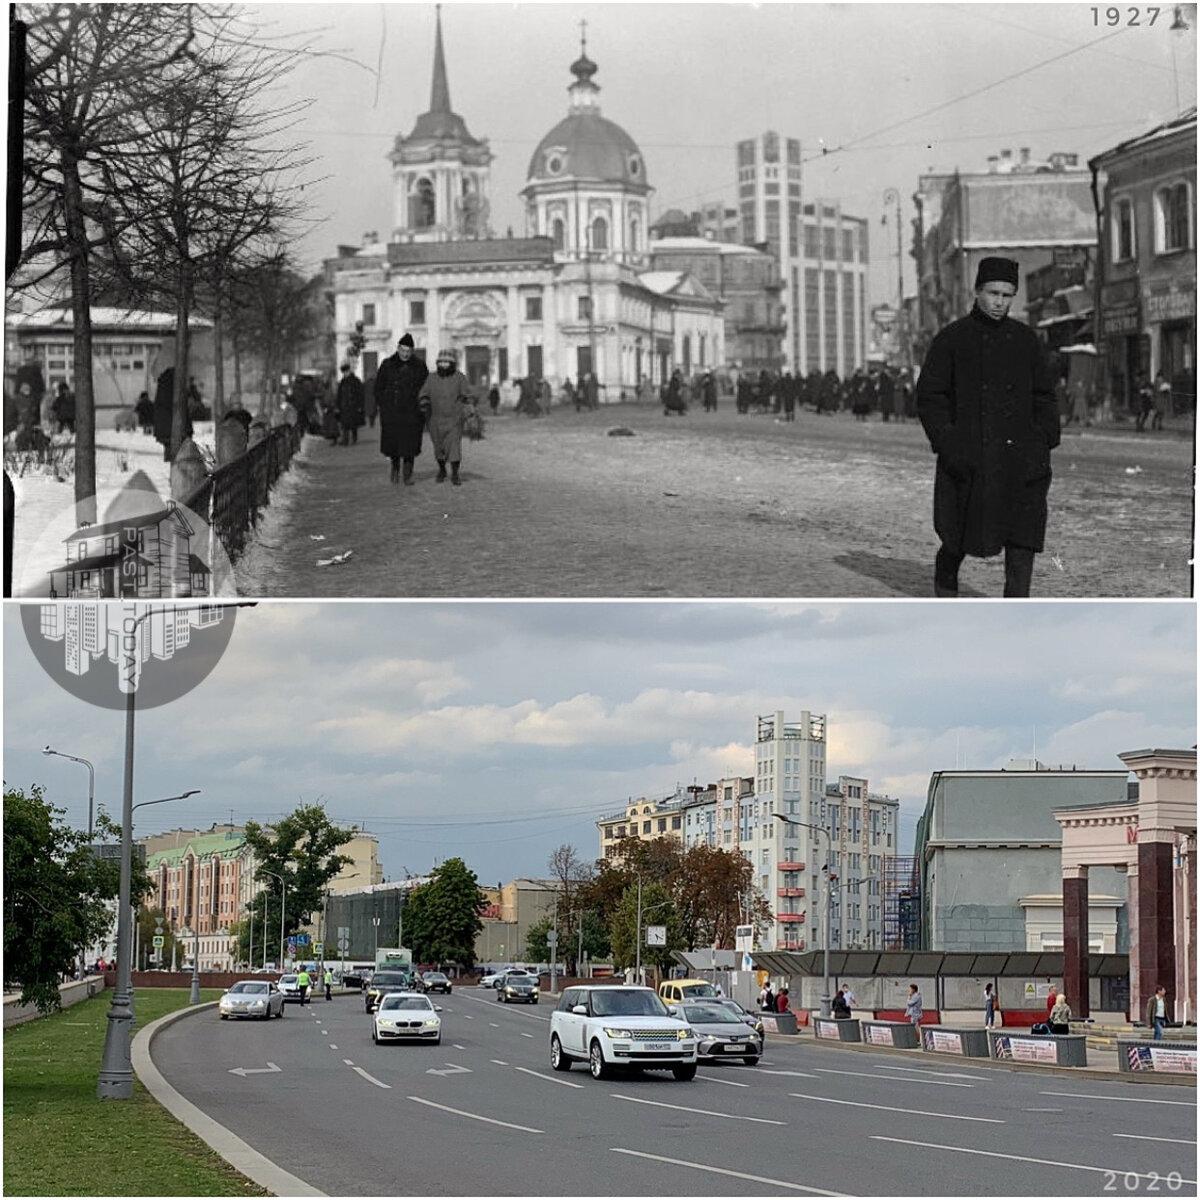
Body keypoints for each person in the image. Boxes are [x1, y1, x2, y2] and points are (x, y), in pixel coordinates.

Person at [916, 256, 1060, 598]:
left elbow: (1045, 396)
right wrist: (949, 443)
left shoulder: (1026, 341)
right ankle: (946, 596)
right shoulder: (952, 339)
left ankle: (1015, 617)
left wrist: (1043, 440)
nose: (999, 302)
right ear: (977, 291)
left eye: (1008, 295)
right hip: (969, 460)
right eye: (993, 293)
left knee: (1022, 543)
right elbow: (930, 397)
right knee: (956, 540)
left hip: (1021, 462)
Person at [375, 332, 429, 484]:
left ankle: (407, 475)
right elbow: (378, 388)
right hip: (392, 412)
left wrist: (422, 407)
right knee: (394, 446)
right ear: (398, 349)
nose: (405, 354)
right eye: (403, 350)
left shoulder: (419, 366)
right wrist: (384, 404)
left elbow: (426, 388)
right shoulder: (387, 365)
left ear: (412, 351)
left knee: (409, 446)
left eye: (408, 351)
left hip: (412, 413)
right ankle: (395, 469)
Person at [418, 348, 473, 485]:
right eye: (441, 362)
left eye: (446, 362)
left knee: (454, 447)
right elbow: (423, 393)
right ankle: (442, 470)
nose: (443, 365)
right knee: (439, 447)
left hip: (454, 418)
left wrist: (469, 404)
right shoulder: (431, 378)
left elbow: (466, 394)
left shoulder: (459, 377)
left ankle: (455, 473)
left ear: (452, 363)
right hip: (435, 420)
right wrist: (424, 402)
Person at [336, 363, 365, 445]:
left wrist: (360, 406)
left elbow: (360, 395)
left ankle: (354, 438)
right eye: (344, 372)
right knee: (344, 425)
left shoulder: (356, 381)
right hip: (344, 406)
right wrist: (338, 406)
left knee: (353, 425)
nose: (345, 374)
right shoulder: (342, 382)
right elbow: (339, 395)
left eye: (346, 372)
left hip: (353, 406)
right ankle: (345, 440)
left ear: (349, 371)